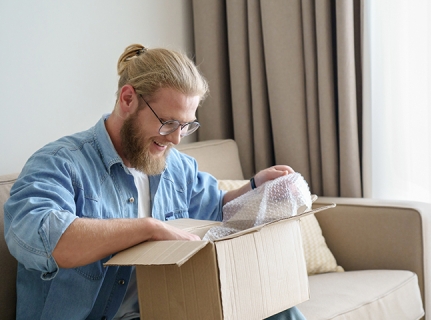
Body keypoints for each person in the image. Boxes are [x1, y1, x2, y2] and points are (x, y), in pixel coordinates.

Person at [3, 44, 306, 320]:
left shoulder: (176, 167)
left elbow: (215, 211)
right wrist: (148, 229)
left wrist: (256, 188)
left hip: (163, 311)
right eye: (168, 122)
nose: (175, 138)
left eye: (186, 126)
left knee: (280, 313)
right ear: (127, 99)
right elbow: (48, 240)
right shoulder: (59, 163)